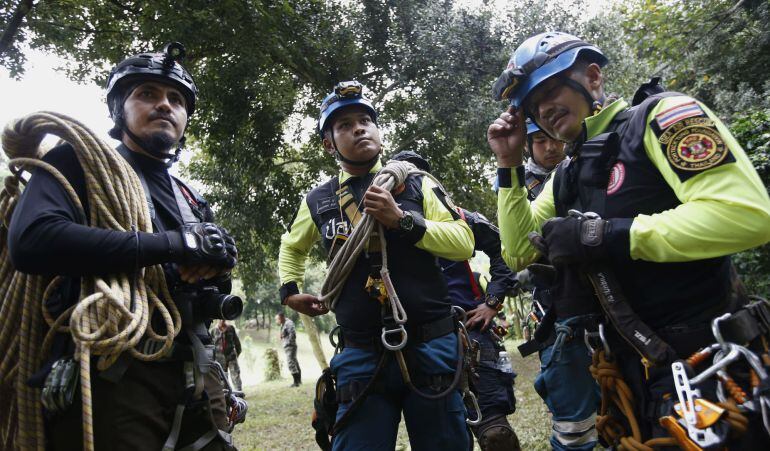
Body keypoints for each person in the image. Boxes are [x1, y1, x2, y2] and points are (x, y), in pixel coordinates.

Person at [488, 31, 770, 448]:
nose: (542, 109)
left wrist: (603, 235)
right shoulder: (568, 172)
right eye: (532, 105)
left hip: (713, 366)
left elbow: (747, 215)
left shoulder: (663, 117)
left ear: (594, 77)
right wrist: (508, 165)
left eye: (549, 90)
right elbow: (517, 252)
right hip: (632, 379)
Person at [8, 43, 239, 450]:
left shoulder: (189, 197)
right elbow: (32, 240)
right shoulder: (77, 163)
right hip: (114, 374)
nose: (165, 105)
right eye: (146, 94)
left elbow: (208, 282)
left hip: (196, 370)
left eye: (176, 99)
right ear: (119, 110)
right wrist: (175, 244)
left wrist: (217, 266)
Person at [278, 81, 474, 450]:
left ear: (379, 130)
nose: (359, 128)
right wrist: (290, 291)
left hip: (431, 347)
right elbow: (291, 246)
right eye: (344, 124)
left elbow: (463, 243)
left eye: (366, 119)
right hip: (361, 355)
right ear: (328, 143)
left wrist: (402, 220)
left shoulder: (417, 184)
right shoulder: (318, 201)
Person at [392, 150, 520, 451]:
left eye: (418, 177)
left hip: (468, 330)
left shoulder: (463, 220)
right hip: (418, 339)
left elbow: (507, 250)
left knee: (494, 431)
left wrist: (492, 302)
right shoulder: (384, 227)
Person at [518, 122, 600, 450]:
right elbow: (512, 246)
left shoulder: (591, 166)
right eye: (540, 140)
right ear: (528, 145)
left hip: (609, 299)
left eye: (553, 138)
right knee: (574, 416)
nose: (550, 146)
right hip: (556, 305)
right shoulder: (518, 187)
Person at [523, 120, 567, 201]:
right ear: (526, 144)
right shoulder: (518, 185)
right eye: (541, 140)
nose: (551, 148)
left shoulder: (582, 168)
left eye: (556, 138)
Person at [212, 320, 243, 391]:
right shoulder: (213, 331)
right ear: (217, 320)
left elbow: (237, 343)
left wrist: (237, 354)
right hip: (219, 358)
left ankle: (239, 392)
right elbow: (211, 346)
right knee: (223, 377)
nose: (222, 321)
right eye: (220, 319)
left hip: (231, 356)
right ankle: (226, 394)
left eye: (223, 319)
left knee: (235, 375)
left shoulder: (231, 328)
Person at [276, 312, 301, 387]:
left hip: (290, 346)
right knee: (294, 362)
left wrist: (289, 342)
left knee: (291, 363)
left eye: (277, 319)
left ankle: (296, 382)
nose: (277, 321)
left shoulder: (288, 323)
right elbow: (286, 333)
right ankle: (298, 381)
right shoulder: (283, 324)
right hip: (288, 346)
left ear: (281, 317)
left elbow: (292, 333)